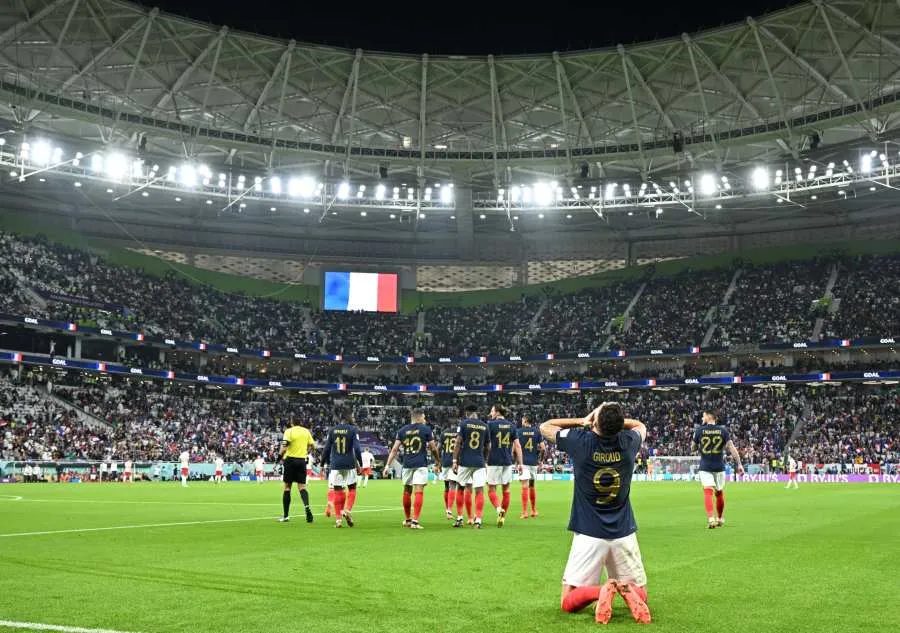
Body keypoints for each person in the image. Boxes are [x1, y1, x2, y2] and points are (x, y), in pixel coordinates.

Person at [540, 402, 652, 625]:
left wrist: (583, 421)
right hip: (623, 532)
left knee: (568, 600)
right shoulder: (629, 442)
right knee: (641, 592)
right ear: (620, 426)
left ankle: (601, 590)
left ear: (595, 422)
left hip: (589, 532)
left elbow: (545, 426)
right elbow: (640, 425)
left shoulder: (581, 442)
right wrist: (616, 423)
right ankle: (623, 590)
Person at [382, 408, 441, 529]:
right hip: (420, 464)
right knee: (418, 491)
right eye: (424, 417)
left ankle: (408, 519)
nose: (425, 420)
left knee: (407, 491)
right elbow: (433, 448)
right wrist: (437, 461)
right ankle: (415, 521)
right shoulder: (426, 429)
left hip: (407, 464)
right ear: (418, 417)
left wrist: (387, 465)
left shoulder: (402, 430)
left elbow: (394, 449)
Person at [692, 411, 744, 528]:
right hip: (719, 467)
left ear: (709, 416)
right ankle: (719, 519)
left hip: (705, 466)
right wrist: (739, 464)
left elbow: (693, 448)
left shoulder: (699, 431)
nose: (702, 417)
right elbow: (731, 447)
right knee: (719, 492)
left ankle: (711, 519)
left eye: (704, 415)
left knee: (707, 492)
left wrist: (697, 443)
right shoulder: (723, 431)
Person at [451, 405, 490, 529]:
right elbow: (488, 447)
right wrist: (485, 459)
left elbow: (458, 442)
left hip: (465, 461)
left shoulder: (463, 424)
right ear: (476, 413)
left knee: (461, 488)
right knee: (479, 490)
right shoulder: (485, 426)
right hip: (479, 462)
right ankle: (478, 520)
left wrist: (454, 460)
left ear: (467, 413)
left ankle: (460, 518)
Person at [321, 415, 363, 528]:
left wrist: (321, 463)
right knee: (352, 488)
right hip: (349, 464)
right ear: (349, 420)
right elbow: (357, 449)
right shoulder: (353, 430)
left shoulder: (332, 430)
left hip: (335, 465)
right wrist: (360, 463)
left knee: (338, 491)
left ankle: (338, 520)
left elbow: (326, 449)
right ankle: (348, 510)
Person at [486, 404, 524, 527]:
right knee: (506, 490)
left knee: (491, 489)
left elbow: (488, 444)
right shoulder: (512, 426)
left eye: (492, 411)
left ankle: (498, 509)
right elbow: (517, 446)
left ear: (497, 412)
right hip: (507, 461)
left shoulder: (490, 425)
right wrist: (520, 464)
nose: (490, 413)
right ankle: (502, 518)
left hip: (493, 460)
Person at [277, 419, 316, 523]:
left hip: (290, 460)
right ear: (301, 423)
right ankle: (307, 507)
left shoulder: (289, 431)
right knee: (302, 487)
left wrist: (278, 458)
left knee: (287, 488)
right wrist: (306, 451)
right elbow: (313, 445)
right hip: (301, 461)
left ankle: (285, 516)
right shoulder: (306, 431)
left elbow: (284, 446)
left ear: (292, 423)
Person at [517, 414, 544, 519]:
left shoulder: (519, 432)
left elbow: (516, 448)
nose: (521, 421)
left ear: (525, 421)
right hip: (533, 462)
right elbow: (543, 448)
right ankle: (533, 510)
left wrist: (517, 462)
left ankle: (524, 512)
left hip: (523, 462)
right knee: (532, 486)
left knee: (524, 486)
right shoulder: (537, 432)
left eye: (522, 420)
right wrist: (541, 461)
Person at [439, 425, 461, 520]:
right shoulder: (459, 432)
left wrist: (438, 461)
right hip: (455, 461)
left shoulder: (444, 432)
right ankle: (450, 509)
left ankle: (447, 508)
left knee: (446, 486)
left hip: (445, 461)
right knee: (455, 486)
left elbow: (438, 448)